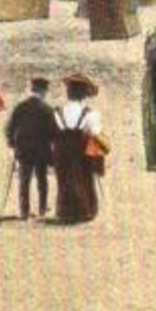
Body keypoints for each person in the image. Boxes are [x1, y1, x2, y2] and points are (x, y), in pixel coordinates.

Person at [51, 74, 103, 223]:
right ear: (84, 94)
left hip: (61, 151)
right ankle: (84, 211)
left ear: (69, 93)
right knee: (83, 179)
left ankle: (64, 211)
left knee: (64, 179)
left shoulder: (57, 112)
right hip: (80, 151)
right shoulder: (90, 113)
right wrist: (99, 159)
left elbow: (52, 133)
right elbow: (96, 134)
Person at [5, 77, 57, 219]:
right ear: (43, 92)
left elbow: (10, 128)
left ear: (32, 90)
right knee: (42, 180)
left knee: (24, 180)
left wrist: (12, 143)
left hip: (23, 150)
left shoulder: (20, 107)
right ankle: (41, 209)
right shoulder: (47, 110)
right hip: (41, 150)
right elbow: (53, 132)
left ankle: (24, 211)